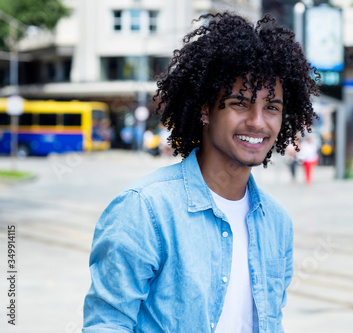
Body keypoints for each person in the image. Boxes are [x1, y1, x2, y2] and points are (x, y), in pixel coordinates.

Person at [83, 12, 319, 333]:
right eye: (240, 103)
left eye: (272, 108)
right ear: (205, 108)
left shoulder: (277, 222)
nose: (258, 121)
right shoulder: (146, 209)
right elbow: (107, 325)